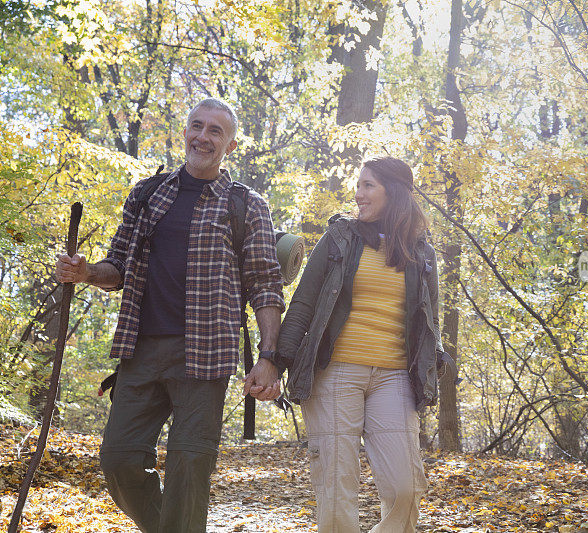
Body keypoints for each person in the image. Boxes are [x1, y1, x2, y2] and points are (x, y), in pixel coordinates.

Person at [54, 97, 285, 533]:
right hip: (140, 350)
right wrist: (85, 273)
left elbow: (264, 283)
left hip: (207, 355)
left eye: (215, 130)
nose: (203, 136)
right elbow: (117, 266)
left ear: (230, 146)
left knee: (190, 467)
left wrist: (269, 356)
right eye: (197, 126)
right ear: (185, 132)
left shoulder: (246, 205)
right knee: (119, 459)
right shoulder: (147, 194)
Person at [268, 157, 452, 532]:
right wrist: (274, 361)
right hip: (334, 373)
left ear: (394, 192)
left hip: (395, 378)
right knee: (336, 491)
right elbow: (303, 304)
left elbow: (429, 324)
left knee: (406, 488)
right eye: (358, 185)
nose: (358, 193)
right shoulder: (339, 239)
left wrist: (434, 366)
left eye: (368, 185)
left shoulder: (422, 254)